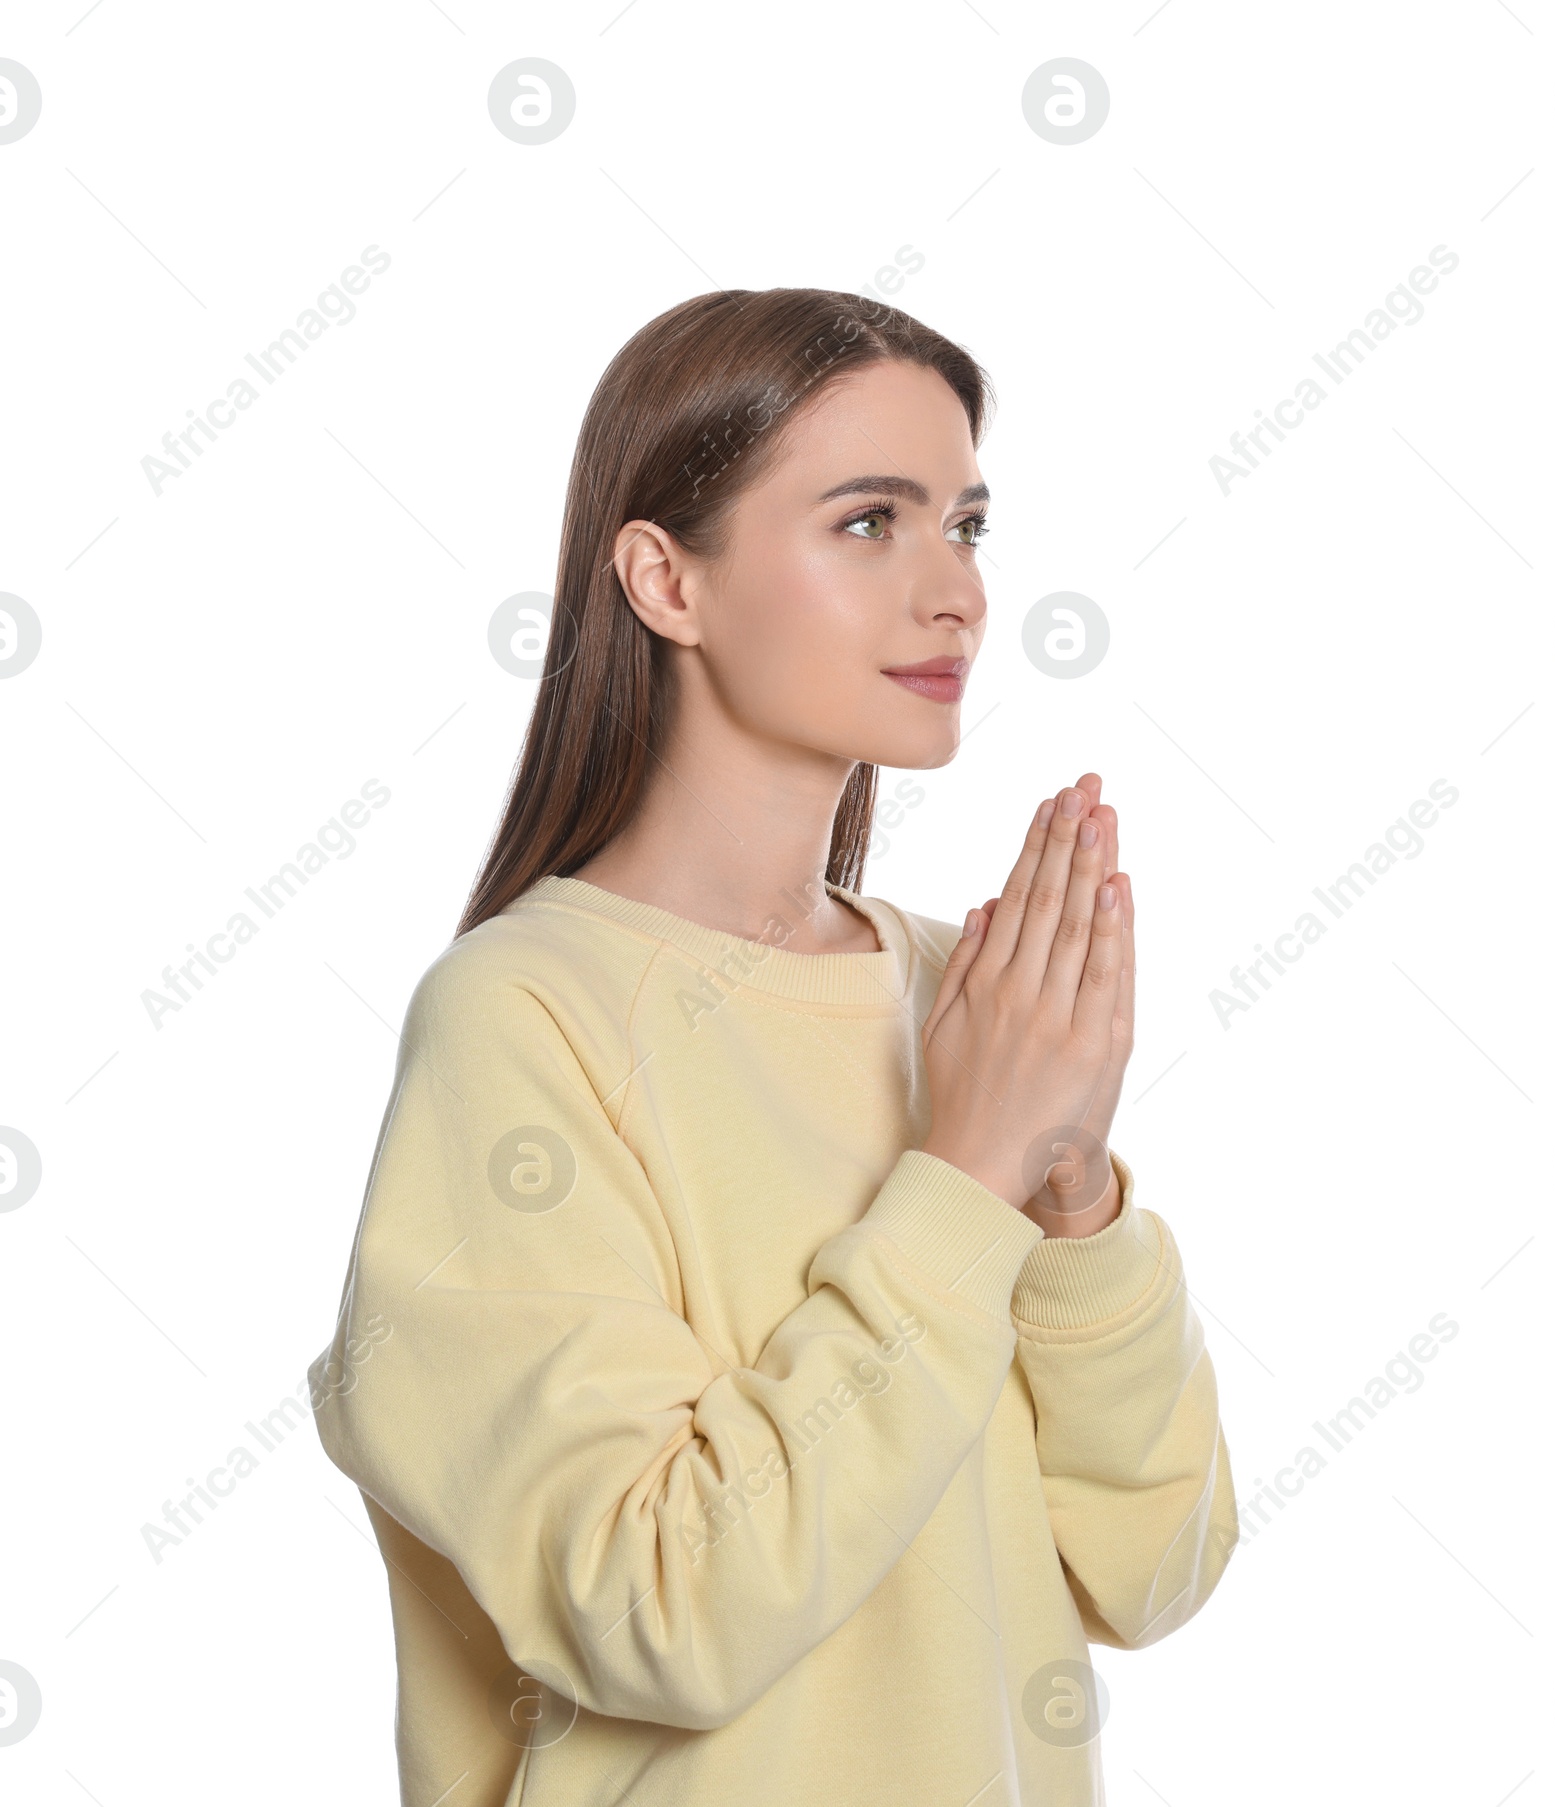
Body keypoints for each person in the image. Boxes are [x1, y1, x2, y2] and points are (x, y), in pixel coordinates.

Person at [309, 287, 1238, 1807]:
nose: (956, 595)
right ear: (665, 580)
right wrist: (966, 1171)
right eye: (870, 523)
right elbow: (660, 1610)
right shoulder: (521, 1018)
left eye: (968, 527)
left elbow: (1157, 1567)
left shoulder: (963, 994)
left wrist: (1070, 1195)